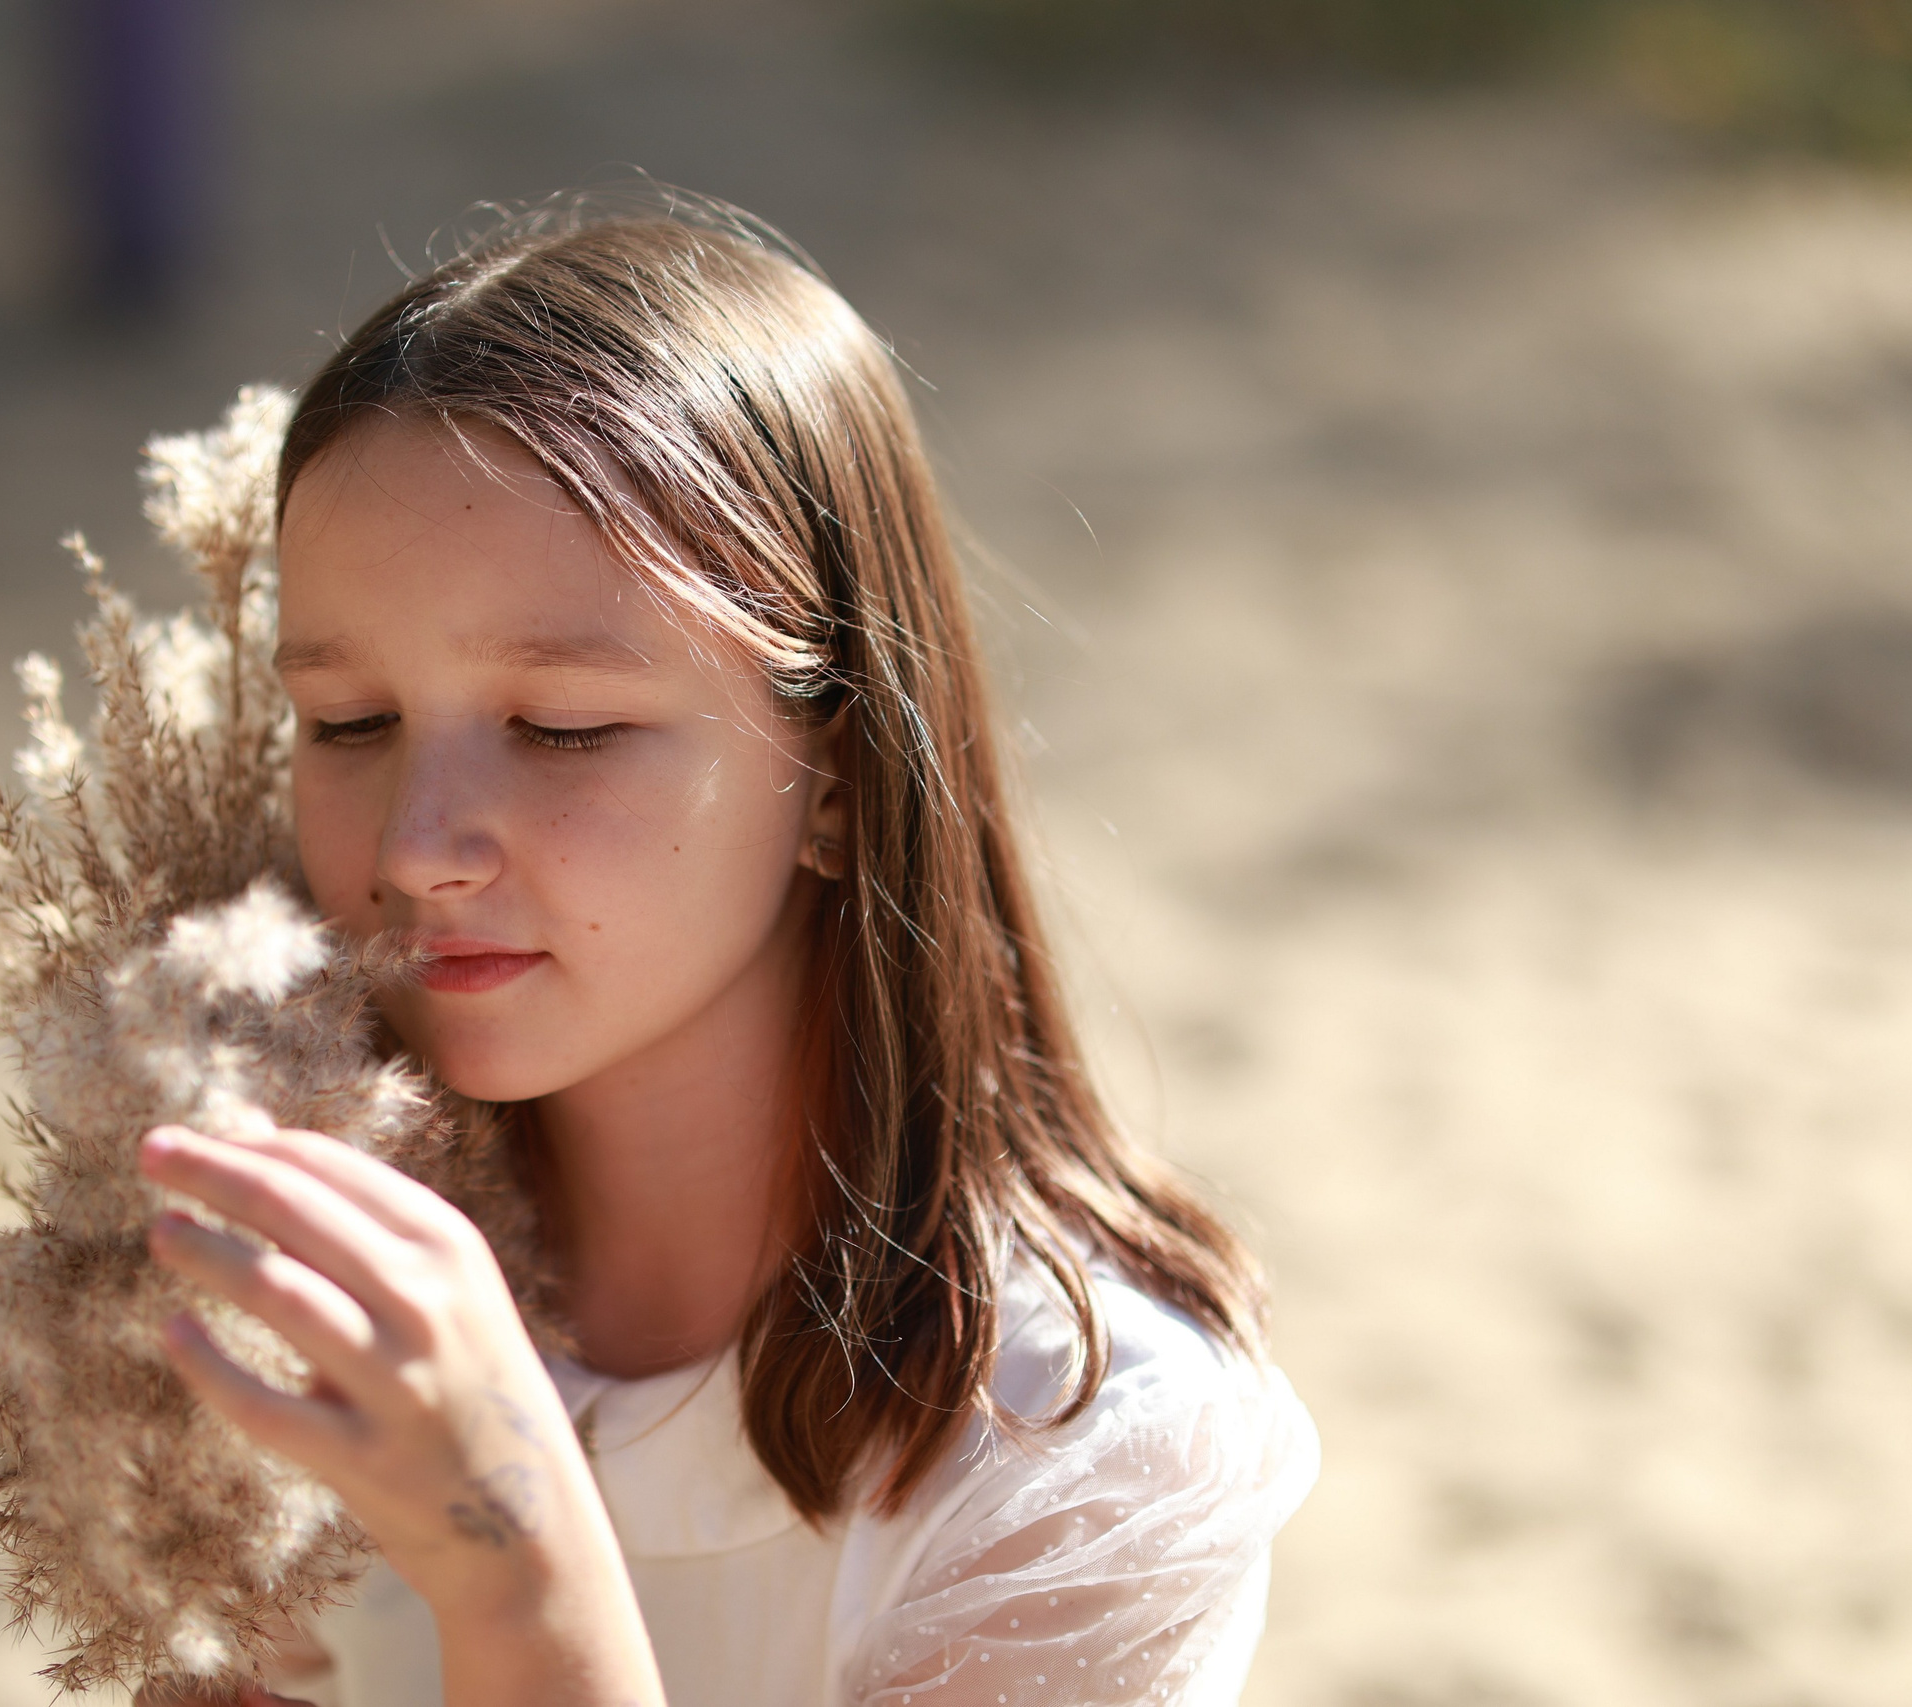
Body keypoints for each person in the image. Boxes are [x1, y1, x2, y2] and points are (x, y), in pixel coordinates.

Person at [133, 194, 1318, 1707]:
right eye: (349, 724)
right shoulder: (293, 1298)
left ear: (834, 775)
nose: (418, 842)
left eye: (564, 729)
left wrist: (512, 1567)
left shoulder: (1089, 1460)